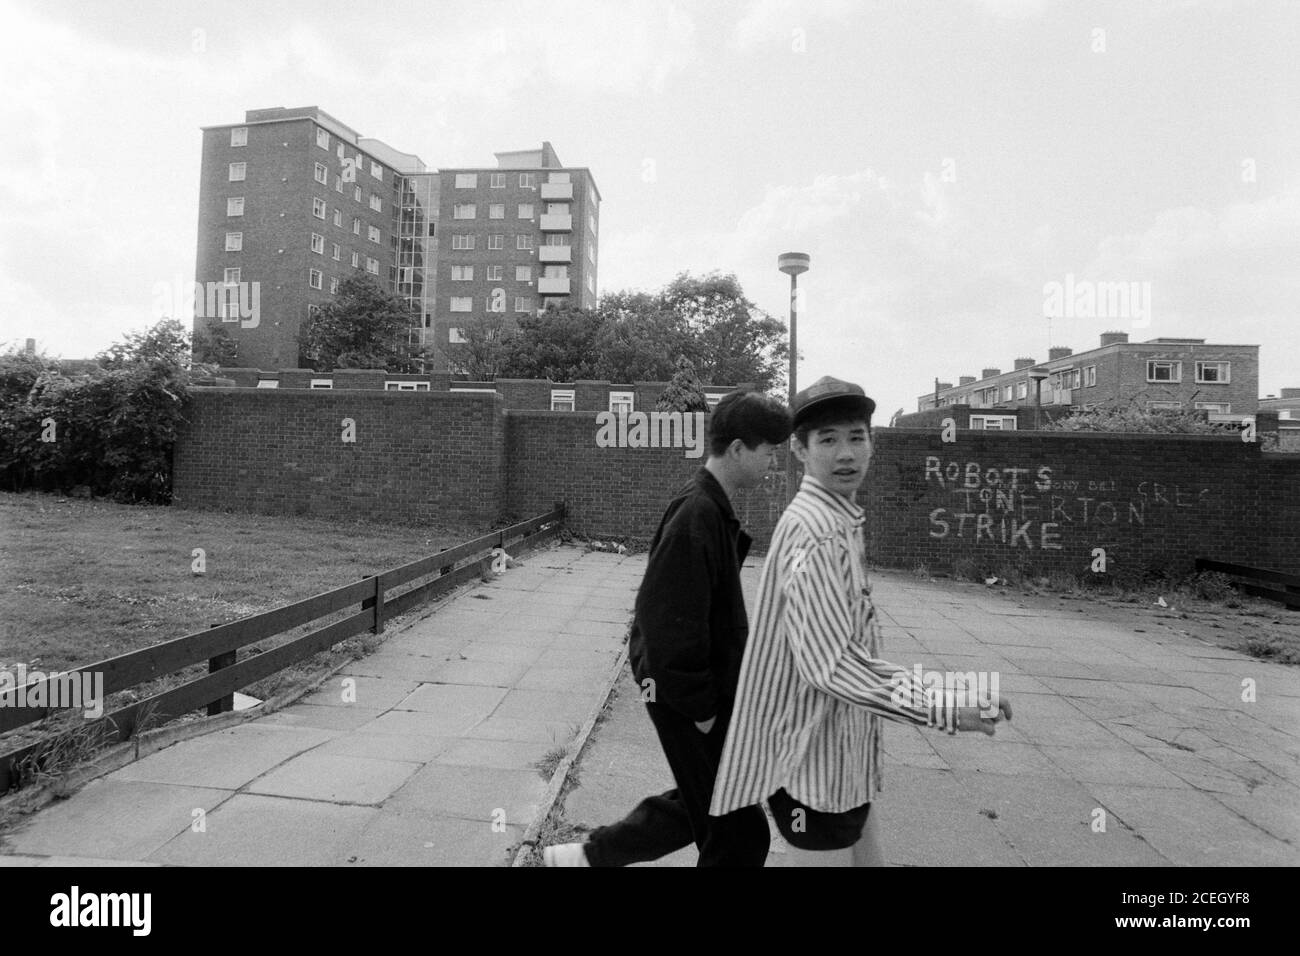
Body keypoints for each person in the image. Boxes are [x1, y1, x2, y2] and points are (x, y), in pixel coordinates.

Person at [709, 375, 1014, 866]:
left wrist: (955, 694)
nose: (846, 453)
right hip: (812, 766)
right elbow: (833, 667)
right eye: (828, 440)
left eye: (856, 436)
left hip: (842, 758)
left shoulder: (837, 520)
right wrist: (945, 704)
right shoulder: (817, 533)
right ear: (800, 451)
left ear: (873, 443)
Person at [544, 390, 793, 867]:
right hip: (687, 697)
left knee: (706, 801)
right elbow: (664, 622)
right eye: (769, 451)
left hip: (704, 693)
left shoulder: (711, 509)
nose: (773, 462)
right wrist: (701, 708)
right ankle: (587, 857)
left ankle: (583, 857)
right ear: (738, 449)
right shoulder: (697, 513)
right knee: (737, 833)